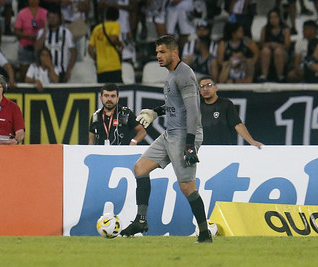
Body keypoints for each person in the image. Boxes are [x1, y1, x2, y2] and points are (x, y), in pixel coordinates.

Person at [120, 35, 211, 243]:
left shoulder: (184, 75)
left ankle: (205, 233)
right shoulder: (172, 74)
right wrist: (154, 112)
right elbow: (175, 106)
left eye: (162, 52)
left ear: (174, 53)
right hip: (170, 132)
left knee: (187, 187)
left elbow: (194, 111)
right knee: (140, 168)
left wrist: (190, 145)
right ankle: (141, 221)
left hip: (184, 135)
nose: (158, 56)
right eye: (157, 53)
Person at [198, 75, 263, 148]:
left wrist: (251, 141)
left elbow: (237, 124)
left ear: (216, 87)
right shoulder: (196, 106)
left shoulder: (225, 104)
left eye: (209, 85)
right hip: (203, 149)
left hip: (224, 149)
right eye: (202, 86)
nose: (205, 89)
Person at [34, 9, 77, 83]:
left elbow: (74, 53)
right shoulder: (41, 32)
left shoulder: (66, 32)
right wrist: (45, 32)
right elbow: (36, 48)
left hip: (61, 71)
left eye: (55, 17)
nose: (53, 20)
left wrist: (69, 69)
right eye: (50, 18)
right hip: (44, 72)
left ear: (59, 19)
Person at [14, 0, 47, 82]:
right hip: (25, 47)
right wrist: (29, 36)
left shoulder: (45, 13)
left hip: (40, 49)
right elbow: (17, 31)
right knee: (24, 74)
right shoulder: (22, 13)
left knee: (39, 73)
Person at [88, 6, 123, 83]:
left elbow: (90, 48)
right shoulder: (115, 25)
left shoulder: (96, 28)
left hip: (101, 68)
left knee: (105, 92)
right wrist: (120, 44)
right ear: (117, 16)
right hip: (113, 66)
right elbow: (113, 39)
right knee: (116, 92)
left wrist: (97, 59)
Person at [259, 8, 290, 83]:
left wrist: (277, 45)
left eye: (275, 17)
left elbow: (287, 45)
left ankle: (280, 76)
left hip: (282, 52)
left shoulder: (285, 29)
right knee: (265, 51)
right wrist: (269, 44)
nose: (273, 20)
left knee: (278, 52)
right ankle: (264, 76)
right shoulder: (265, 29)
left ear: (279, 18)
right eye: (271, 18)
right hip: (268, 51)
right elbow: (261, 44)